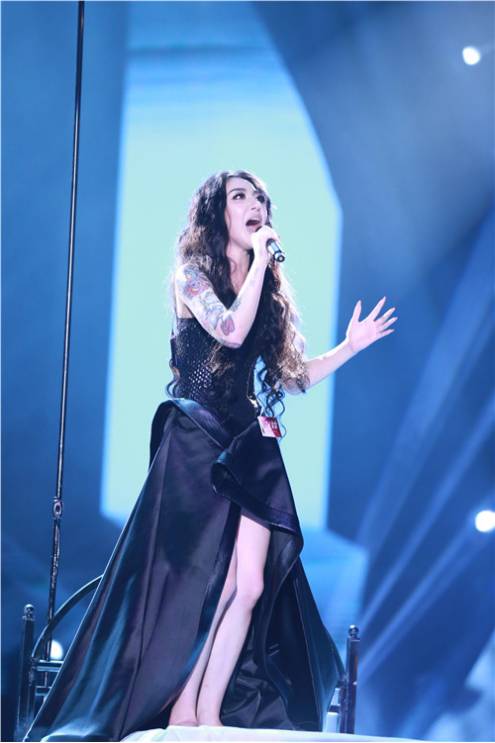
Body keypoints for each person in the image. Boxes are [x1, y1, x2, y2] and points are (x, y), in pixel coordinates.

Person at [24, 170, 397, 742]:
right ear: (217, 212)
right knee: (207, 580)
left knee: (249, 585)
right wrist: (259, 265)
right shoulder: (192, 274)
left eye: (260, 197)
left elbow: (290, 377)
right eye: (239, 196)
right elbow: (228, 331)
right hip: (197, 431)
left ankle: (207, 710)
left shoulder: (264, 290)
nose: (254, 205)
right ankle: (181, 710)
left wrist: (349, 347)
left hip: (248, 437)